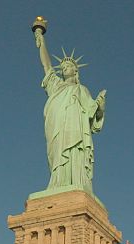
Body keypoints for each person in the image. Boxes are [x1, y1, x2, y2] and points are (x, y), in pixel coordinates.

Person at [34, 28, 106, 195]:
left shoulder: (82, 90)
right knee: (58, 153)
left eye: (68, 66)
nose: (65, 68)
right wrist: (41, 42)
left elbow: (93, 117)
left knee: (75, 152)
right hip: (57, 125)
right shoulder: (56, 85)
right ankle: (58, 182)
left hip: (76, 128)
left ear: (76, 70)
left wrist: (100, 107)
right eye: (63, 66)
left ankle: (77, 181)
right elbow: (46, 65)